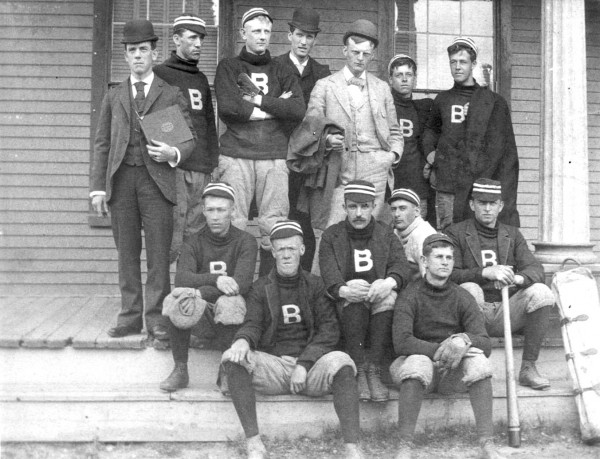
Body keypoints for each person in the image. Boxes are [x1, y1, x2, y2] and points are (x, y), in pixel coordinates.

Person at [221, 220, 364, 459]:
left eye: (291, 249)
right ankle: (254, 442)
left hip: (311, 369)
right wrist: (243, 341)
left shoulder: (316, 285)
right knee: (233, 358)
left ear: (302, 250)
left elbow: (329, 331)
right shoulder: (260, 287)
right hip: (275, 367)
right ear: (273, 252)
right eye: (281, 250)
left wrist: (304, 364)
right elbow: (253, 323)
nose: (286, 255)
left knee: (342, 361)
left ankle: (352, 446)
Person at [89, 19, 195, 340]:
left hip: (157, 183)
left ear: (155, 53)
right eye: (132, 50)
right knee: (127, 253)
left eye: (144, 50)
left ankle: (157, 318)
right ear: (125, 56)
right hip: (121, 182)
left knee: (159, 254)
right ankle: (130, 317)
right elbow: (102, 144)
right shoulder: (115, 94)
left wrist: (172, 153)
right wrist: (97, 189)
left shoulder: (170, 93)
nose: (138, 56)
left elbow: (188, 140)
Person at [391, 233, 500, 459]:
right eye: (438, 256)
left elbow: (485, 342)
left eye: (449, 257)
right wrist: (440, 350)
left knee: (479, 361)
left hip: (450, 372)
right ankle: (404, 445)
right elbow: (402, 341)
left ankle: (487, 442)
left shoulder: (462, 296)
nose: (445, 262)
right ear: (424, 261)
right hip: (416, 369)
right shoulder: (410, 295)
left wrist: (462, 340)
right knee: (417, 363)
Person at [214, 7, 305, 276]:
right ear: (244, 33)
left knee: (274, 225)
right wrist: (274, 109)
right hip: (236, 154)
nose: (262, 36)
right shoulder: (229, 66)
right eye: (256, 31)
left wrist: (258, 101)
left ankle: (269, 290)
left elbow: (298, 109)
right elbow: (229, 108)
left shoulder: (282, 68)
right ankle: (233, 288)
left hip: (274, 156)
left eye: (266, 31)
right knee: (235, 223)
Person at [446, 178, 555, 390]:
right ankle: (469, 364)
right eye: (481, 203)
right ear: (472, 205)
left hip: (506, 310)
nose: (487, 208)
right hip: (472, 311)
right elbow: (449, 275)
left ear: (501, 206)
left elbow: (536, 270)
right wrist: (484, 273)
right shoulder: (456, 233)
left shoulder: (512, 234)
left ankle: (528, 368)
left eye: (492, 203)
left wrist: (516, 278)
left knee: (541, 292)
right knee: (470, 288)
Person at [159, 183, 258, 392]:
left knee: (230, 301)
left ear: (232, 211)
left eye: (221, 210)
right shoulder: (193, 241)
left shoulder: (246, 241)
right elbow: (182, 278)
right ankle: (180, 369)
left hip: (234, 319)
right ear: (203, 211)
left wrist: (202, 290)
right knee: (177, 298)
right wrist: (217, 280)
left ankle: (228, 370)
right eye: (210, 210)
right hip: (201, 318)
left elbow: (242, 283)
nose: (215, 216)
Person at [304, 19, 403, 227]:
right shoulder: (324, 86)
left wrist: (391, 156)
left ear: (372, 55)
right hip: (338, 167)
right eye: (355, 52)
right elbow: (309, 128)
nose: (360, 58)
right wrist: (327, 140)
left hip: (375, 167)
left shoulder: (382, 88)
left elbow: (395, 130)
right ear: (344, 51)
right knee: (334, 228)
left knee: (370, 231)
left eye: (366, 54)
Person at [319, 180, 411, 402]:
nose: (359, 213)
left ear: (373, 206)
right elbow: (329, 272)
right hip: (346, 304)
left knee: (389, 296)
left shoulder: (386, 233)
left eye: (364, 207)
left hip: (378, 299)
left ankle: (374, 370)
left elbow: (401, 266)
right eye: (353, 207)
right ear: (344, 207)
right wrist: (343, 289)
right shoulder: (332, 235)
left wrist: (388, 282)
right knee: (356, 298)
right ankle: (359, 369)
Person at [422, 37, 520, 230]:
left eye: (463, 62)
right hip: (448, 182)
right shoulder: (443, 99)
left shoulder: (491, 101)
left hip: (477, 182)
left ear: (473, 64)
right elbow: (430, 130)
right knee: (449, 234)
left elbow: (500, 144)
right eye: (453, 62)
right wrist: (430, 154)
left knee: (476, 235)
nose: (457, 67)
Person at [153, 14, 219, 263]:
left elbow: (208, 123)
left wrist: (213, 162)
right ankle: (162, 296)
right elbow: (158, 121)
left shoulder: (200, 78)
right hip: (174, 167)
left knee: (195, 235)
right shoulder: (160, 73)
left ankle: (187, 290)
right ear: (177, 39)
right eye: (192, 38)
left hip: (200, 169)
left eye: (201, 38)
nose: (199, 44)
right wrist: (177, 152)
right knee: (172, 234)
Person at [274, 7, 331, 272]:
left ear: (315, 39)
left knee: (306, 224)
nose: (303, 42)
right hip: (278, 155)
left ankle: (306, 282)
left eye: (309, 36)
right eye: (299, 35)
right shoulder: (275, 67)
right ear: (289, 36)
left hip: (309, 159)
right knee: (278, 222)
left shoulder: (322, 73)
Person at [387, 54, 433, 219]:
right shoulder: (384, 107)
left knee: (418, 233)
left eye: (409, 75)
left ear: (415, 79)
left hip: (417, 182)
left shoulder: (423, 109)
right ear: (391, 80)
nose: (404, 79)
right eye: (399, 75)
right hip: (390, 181)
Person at [388, 188, 436, 281]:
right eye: (393, 209)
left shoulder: (423, 236)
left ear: (417, 211)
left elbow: (431, 281)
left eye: (402, 208)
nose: (396, 214)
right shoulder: (394, 233)